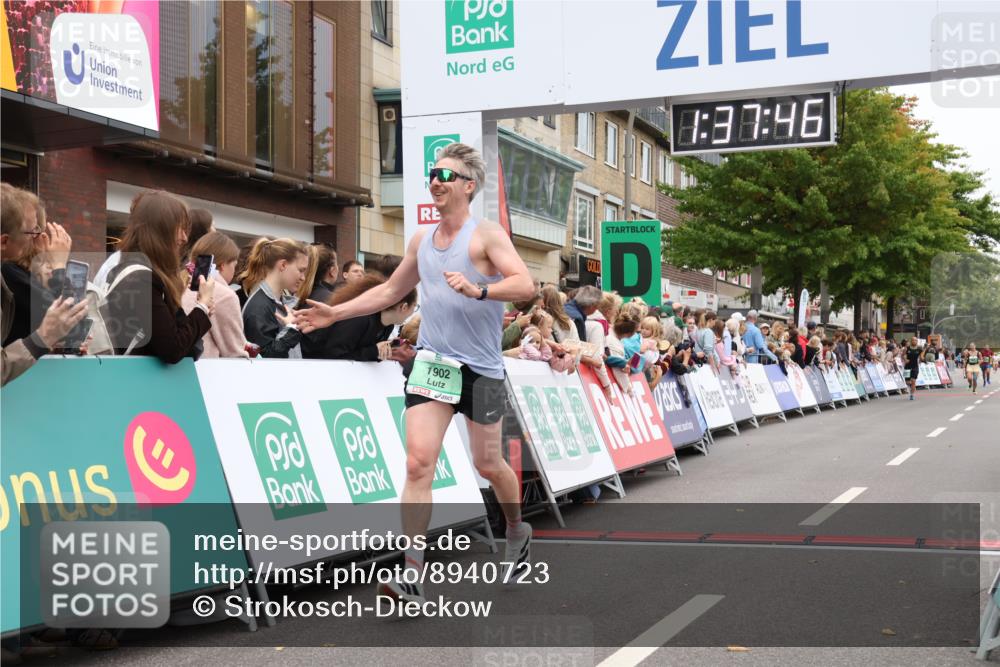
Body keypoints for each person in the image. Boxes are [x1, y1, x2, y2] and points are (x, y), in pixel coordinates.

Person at [293, 142, 535, 604]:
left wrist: (481, 291)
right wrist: (335, 313)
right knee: (418, 463)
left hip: (483, 370)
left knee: (488, 464)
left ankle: (516, 529)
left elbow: (525, 284)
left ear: (468, 185)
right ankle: (412, 572)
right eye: (432, 174)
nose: (436, 182)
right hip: (433, 364)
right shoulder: (422, 240)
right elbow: (390, 290)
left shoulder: (486, 236)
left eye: (446, 175)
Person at [103, 191, 214, 363]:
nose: (185, 238)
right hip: (138, 379)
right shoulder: (141, 280)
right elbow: (173, 348)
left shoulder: (140, 274)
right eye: (180, 228)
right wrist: (202, 307)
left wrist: (202, 309)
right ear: (160, 230)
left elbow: (181, 342)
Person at [1, 184, 88, 386]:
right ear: (5, 241)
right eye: (32, 230)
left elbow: (69, 329)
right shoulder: (10, 272)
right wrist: (58, 267)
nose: (39, 235)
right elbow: (72, 324)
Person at [301, 273, 417, 362]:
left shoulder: (388, 325)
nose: (413, 312)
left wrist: (382, 352)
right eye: (414, 307)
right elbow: (334, 355)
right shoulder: (360, 318)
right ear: (403, 307)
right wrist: (374, 351)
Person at [181, 232, 248, 358]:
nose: (234, 271)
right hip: (206, 368)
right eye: (234, 265)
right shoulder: (226, 296)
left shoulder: (180, 284)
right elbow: (234, 352)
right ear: (222, 266)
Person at [240, 238, 307, 358]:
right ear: (283, 265)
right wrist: (291, 330)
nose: (303, 278)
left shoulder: (276, 302)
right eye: (301, 270)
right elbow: (266, 359)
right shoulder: (259, 307)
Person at [902, 336, 922, 400]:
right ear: (911, 341)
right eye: (913, 340)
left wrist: (922, 360)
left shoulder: (919, 349)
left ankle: (912, 395)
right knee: (907, 382)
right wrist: (905, 359)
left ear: (917, 341)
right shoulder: (907, 348)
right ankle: (911, 386)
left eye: (915, 340)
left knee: (913, 381)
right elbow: (903, 355)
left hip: (915, 366)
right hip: (907, 366)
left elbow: (921, 356)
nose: (914, 341)